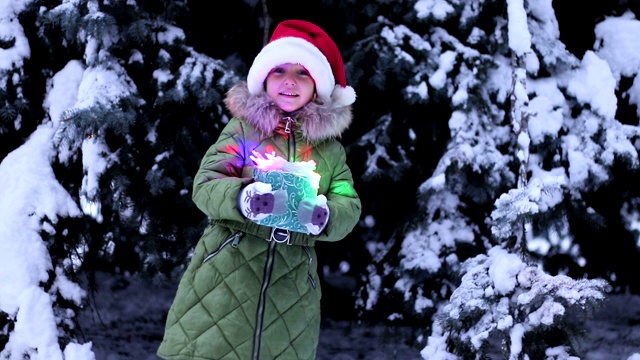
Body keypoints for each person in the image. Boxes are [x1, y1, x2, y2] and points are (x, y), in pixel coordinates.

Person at [157, 19, 361, 360]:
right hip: (225, 278)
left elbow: (347, 202)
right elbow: (207, 183)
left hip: (292, 287)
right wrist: (244, 197)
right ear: (264, 78)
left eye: (303, 73)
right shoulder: (243, 131)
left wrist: (324, 216)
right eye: (279, 70)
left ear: (319, 87)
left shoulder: (330, 150)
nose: (289, 82)